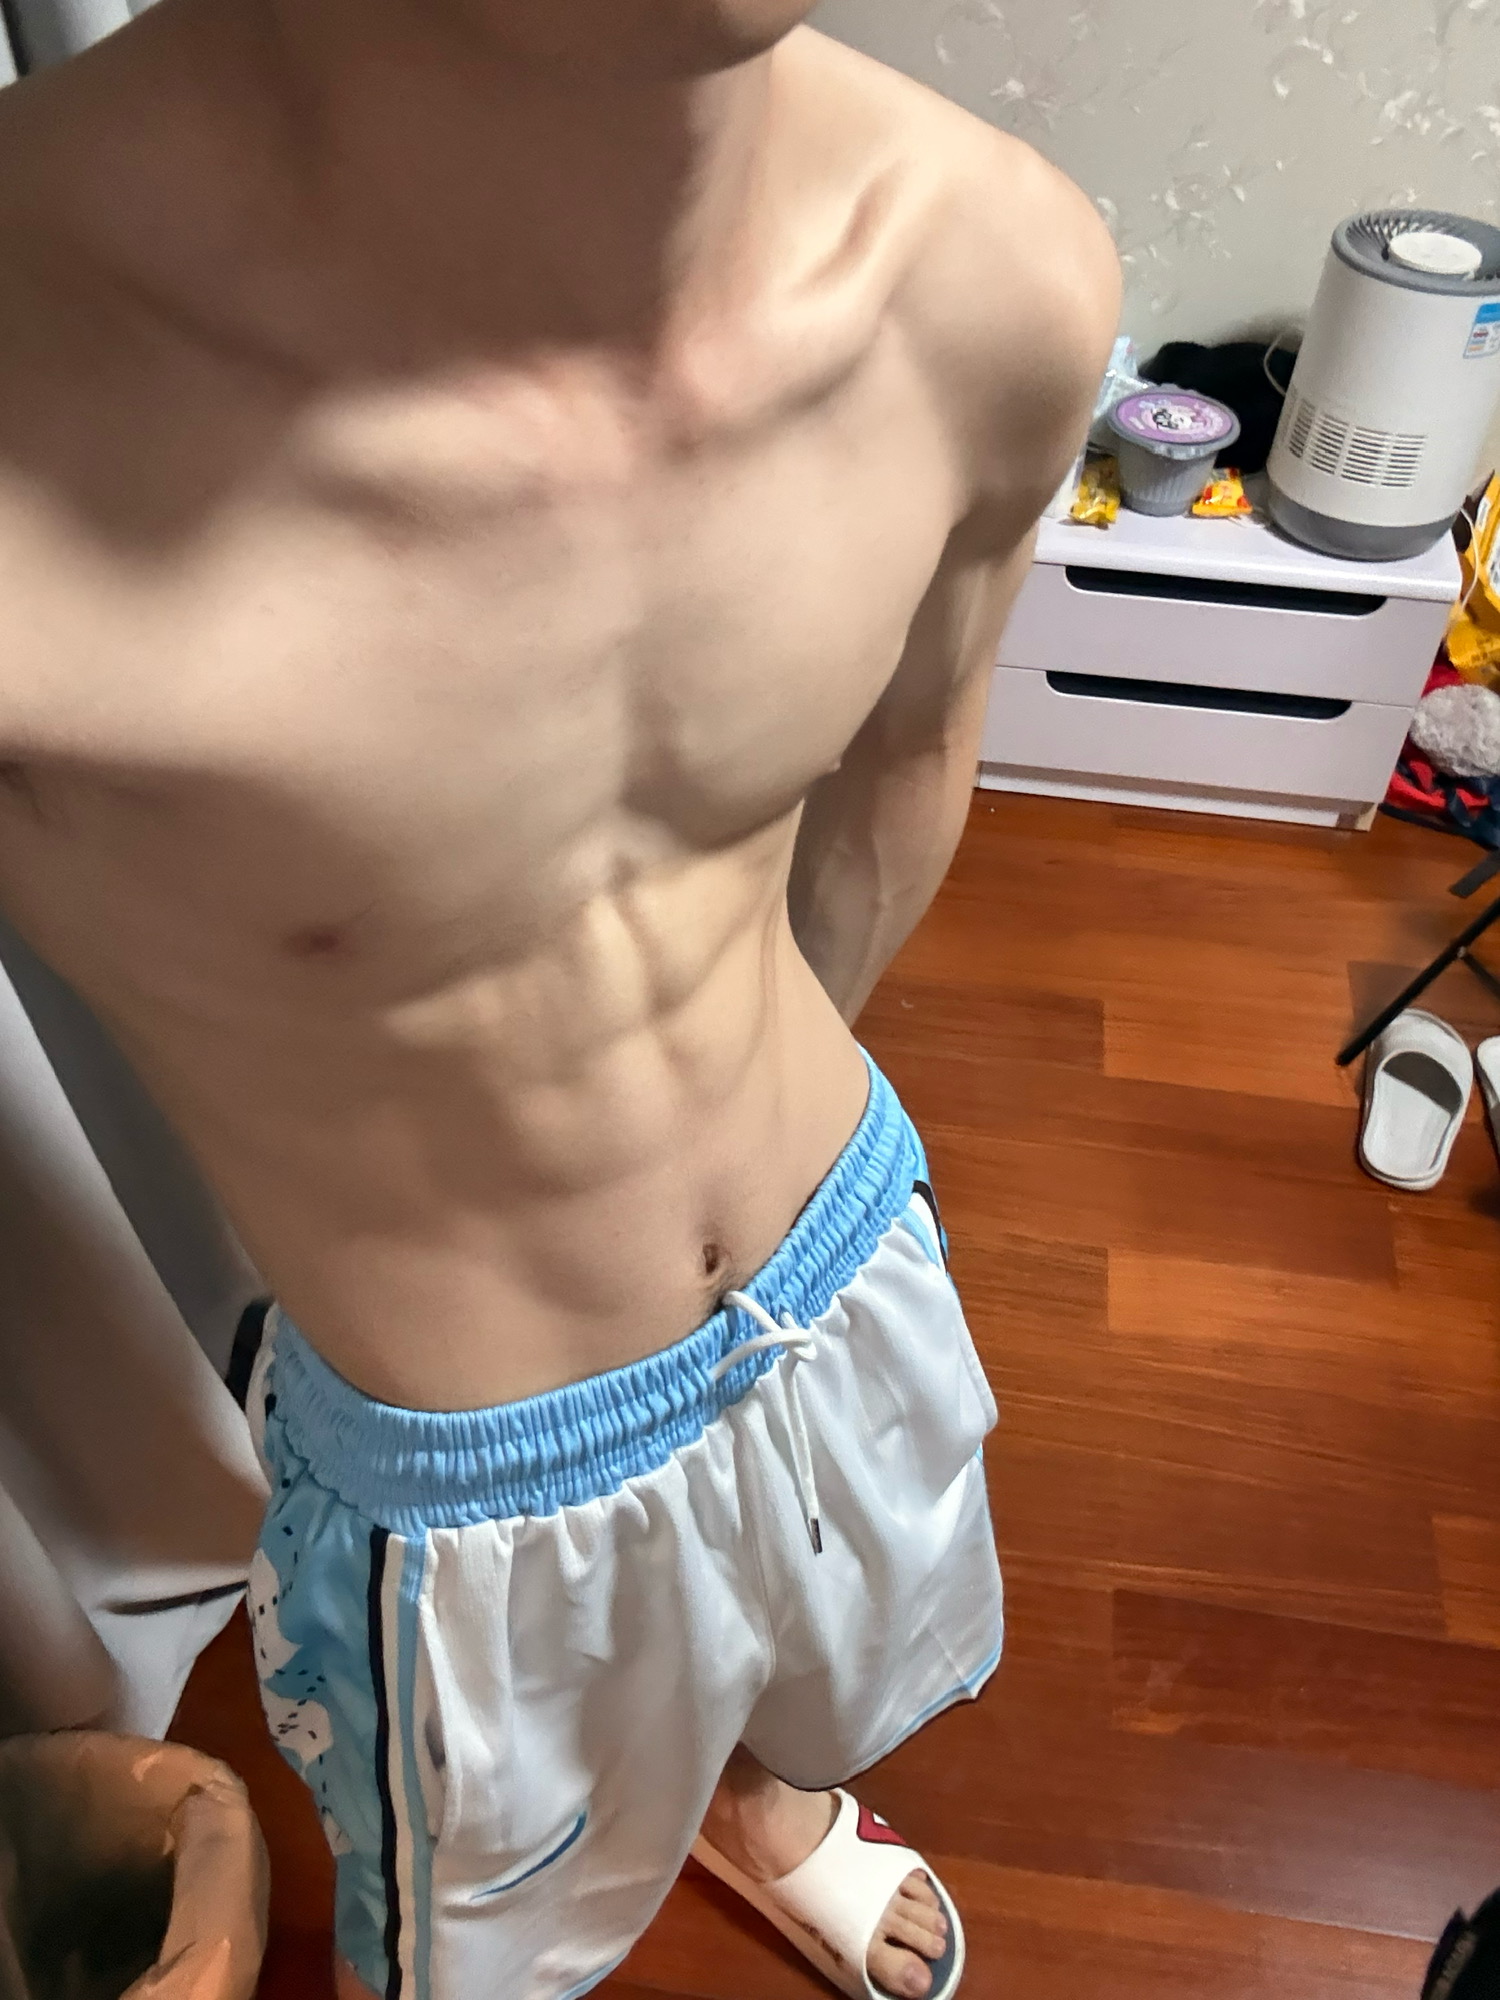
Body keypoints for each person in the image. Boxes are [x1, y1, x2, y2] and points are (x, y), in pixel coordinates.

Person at [0, 0, 1119, 1994]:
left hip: (847, 1257)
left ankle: (765, 1801)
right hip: (476, 1492)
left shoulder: (989, 266)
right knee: (479, 1954)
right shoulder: (41, 380)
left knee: (838, 1661)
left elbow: (905, 760)